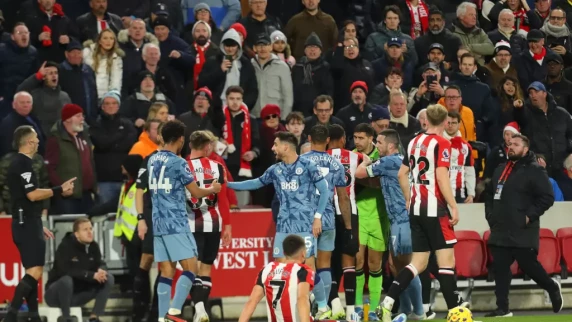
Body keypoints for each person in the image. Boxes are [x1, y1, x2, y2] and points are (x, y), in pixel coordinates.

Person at [376, 104, 460, 322]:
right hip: (435, 209)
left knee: (418, 263)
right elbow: (441, 177)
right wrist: (453, 205)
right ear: (444, 122)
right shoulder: (442, 143)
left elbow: (402, 174)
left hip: (415, 208)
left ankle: (388, 301)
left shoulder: (413, 142)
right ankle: (457, 315)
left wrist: (407, 198)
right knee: (446, 262)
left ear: (426, 121)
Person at [145, 120, 221, 320]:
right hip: (176, 222)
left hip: (158, 222)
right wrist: (212, 189)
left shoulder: (152, 159)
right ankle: (174, 311)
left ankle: (162, 317)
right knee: (192, 267)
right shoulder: (179, 163)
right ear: (180, 139)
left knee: (167, 271)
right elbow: (195, 192)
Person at [483, 133, 563, 317]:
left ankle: (551, 287)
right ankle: (502, 308)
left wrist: (529, 216)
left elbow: (547, 197)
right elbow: (488, 193)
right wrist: (490, 215)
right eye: (509, 144)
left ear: (525, 149)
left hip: (523, 229)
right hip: (500, 228)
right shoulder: (500, 169)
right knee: (501, 270)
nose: (510, 146)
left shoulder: (535, 170)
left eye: (516, 144)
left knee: (529, 266)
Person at [4, 125, 75, 322]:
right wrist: (60, 188)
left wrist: (37, 223)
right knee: (35, 271)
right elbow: (32, 194)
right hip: (26, 223)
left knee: (32, 272)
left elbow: (22, 199)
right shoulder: (24, 164)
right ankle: (10, 317)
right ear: (28, 142)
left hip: (26, 221)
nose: (38, 142)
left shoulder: (17, 163)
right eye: (35, 139)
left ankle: (34, 316)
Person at [226, 131, 329, 263]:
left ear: (285, 147)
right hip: (283, 226)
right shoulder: (275, 170)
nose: (272, 148)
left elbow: (324, 191)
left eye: (275, 144)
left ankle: (320, 285)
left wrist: (318, 218)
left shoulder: (308, 166)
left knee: (307, 268)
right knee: (280, 267)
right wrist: (227, 184)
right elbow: (255, 183)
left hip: (305, 225)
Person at [356, 129, 424, 320]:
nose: (377, 145)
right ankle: (405, 308)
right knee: (395, 265)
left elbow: (359, 173)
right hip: (399, 219)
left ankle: (419, 312)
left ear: (391, 145)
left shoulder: (387, 161)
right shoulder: (400, 161)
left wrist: (365, 160)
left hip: (403, 220)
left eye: (379, 142)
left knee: (406, 266)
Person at [301, 124, 356, 320]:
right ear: (327, 141)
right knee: (325, 265)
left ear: (309, 138)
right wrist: (348, 226)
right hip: (329, 219)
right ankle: (324, 309)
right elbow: (343, 197)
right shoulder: (336, 164)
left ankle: (309, 308)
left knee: (307, 266)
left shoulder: (300, 162)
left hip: (306, 220)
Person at [186, 131, 232, 322]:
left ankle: (199, 309)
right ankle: (201, 310)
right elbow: (224, 199)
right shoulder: (218, 167)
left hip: (189, 223)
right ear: (207, 147)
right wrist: (227, 225)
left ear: (190, 145)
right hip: (213, 223)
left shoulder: (183, 166)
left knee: (191, 270)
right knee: (205, 270)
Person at [326, 124, 364, 319]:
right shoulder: (355, 156)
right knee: (349, 262)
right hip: (350, 211)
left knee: (328, 263)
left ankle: (333, 305)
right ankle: (351, 312)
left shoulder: (321, 157)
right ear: (342, 139)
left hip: (327, 213)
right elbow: (368, 170)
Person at [45, 217, 114, 321]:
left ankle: (94, 317)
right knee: (66, 280)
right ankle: (66, 317)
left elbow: (100, 263)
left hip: (78, 294)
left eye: (91, 228)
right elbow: (65, 270)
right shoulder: (65, 246)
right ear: (76, 234)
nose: (90, 232)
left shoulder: (93, 246)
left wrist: (101, 270)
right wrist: (91, 275)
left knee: (108, 278)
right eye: (85, 230)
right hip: (55, 295)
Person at [238, 234, 315, 322]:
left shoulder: (267, 270)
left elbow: (251, 302)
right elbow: (302, 299)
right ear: (303, 253)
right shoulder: (302, 271)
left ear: (284, 252)